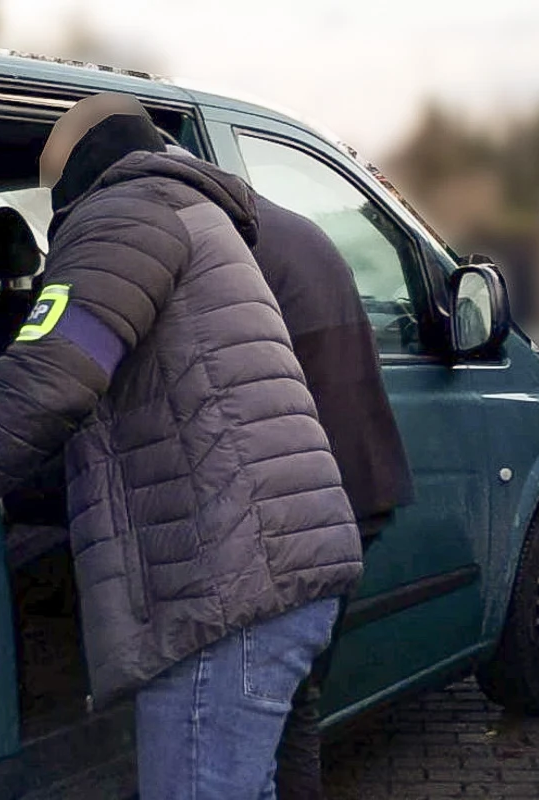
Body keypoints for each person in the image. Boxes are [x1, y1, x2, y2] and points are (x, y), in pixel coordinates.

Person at [0, 92, 363, 800]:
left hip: (222, 592)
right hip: (265, 570)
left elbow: (48, 385)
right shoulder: (187, 211)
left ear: (78, 160)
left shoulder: (122, 217)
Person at [160, 143, 413, 796]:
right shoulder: (288, 229)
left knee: (269, 710)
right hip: (349, 494)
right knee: (295, 697)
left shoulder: (212, 245)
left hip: (294, 508)